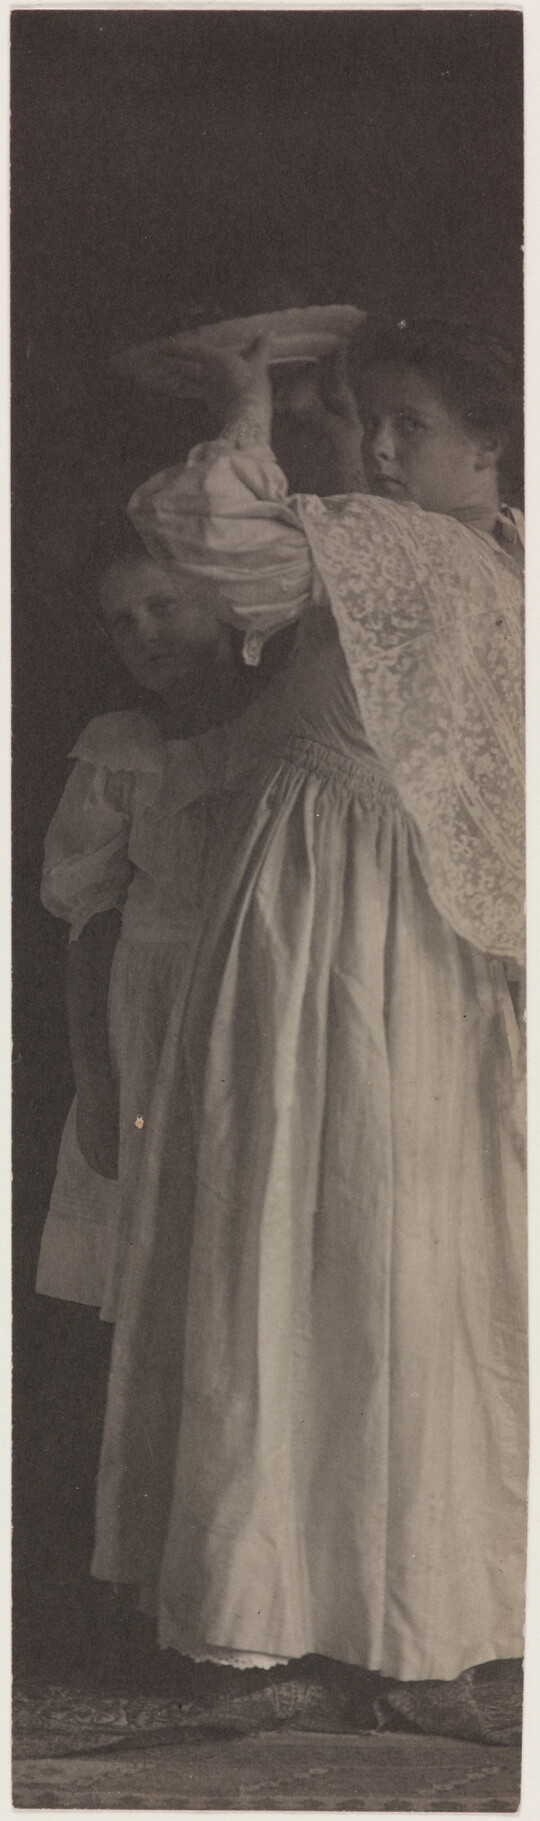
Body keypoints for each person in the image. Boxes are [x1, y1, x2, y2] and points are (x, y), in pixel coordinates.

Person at [91, 320, 526, 1741]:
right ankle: (282, 1608)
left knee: (424, 1259)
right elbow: (201, 532)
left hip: (433, 937)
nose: (382, 450)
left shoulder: (485, 560)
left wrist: (243, 404)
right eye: (363, 421)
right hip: (316, 925)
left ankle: (427, 1620)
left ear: (492, 448)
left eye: (409, 426)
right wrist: (248, 407)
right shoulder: (368, 545)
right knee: (304, 1229)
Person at [37, 518, 290, 1321]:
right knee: (157, 1278)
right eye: (121, 622)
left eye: (161, 604)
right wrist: (97, 1080)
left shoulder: (291, 728)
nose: (143, 633)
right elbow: (90, 923)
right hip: (150, 1025)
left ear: (222, 599)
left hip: (260, 1009)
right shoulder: (122, 751)